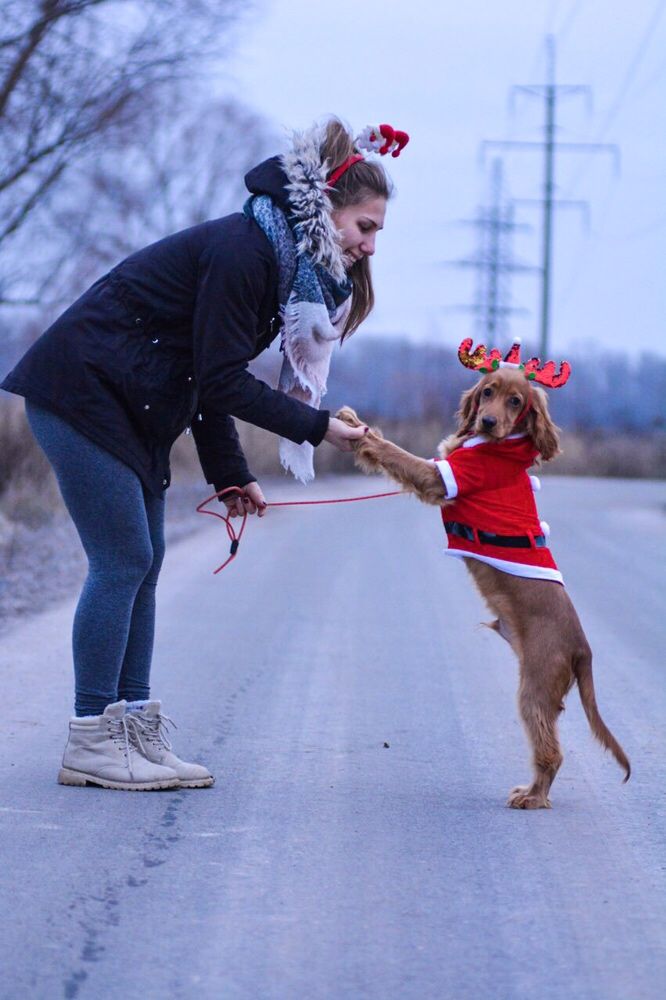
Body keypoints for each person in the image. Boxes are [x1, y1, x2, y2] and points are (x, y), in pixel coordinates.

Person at [1, 117, 403, 791]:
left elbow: (206, 376)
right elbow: (219, 380)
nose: (369, 245)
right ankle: (91, 736)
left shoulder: (275, 262)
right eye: (365, 227)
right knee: (124, 557)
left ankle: (130, 728)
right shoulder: (246, 251)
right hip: (80, 392)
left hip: (133, 407)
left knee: (146, 562)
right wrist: (315, 425)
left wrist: (231, 474)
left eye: (377, 234)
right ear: (325, 207)